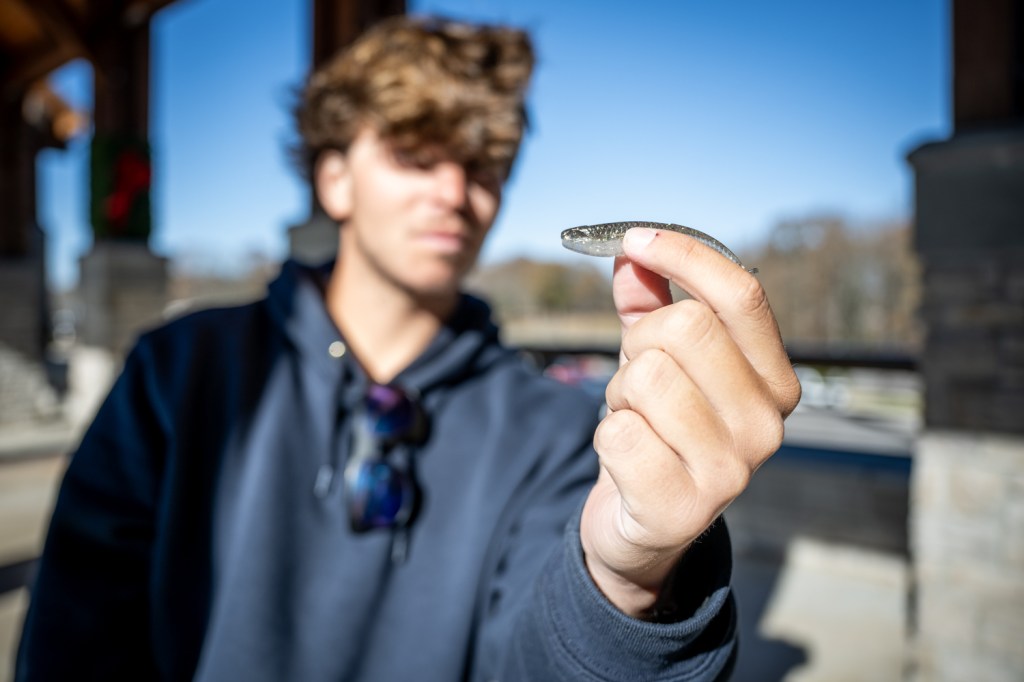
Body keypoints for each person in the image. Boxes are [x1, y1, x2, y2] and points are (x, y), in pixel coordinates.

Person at [16, 15, 800, 681]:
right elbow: (74, 638)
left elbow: (538, 657)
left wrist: (628, 579)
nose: (455, 194)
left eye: (484, 165)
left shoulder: (563, 434)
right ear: (334, 179)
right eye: (416, 156)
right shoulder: (178, 374)